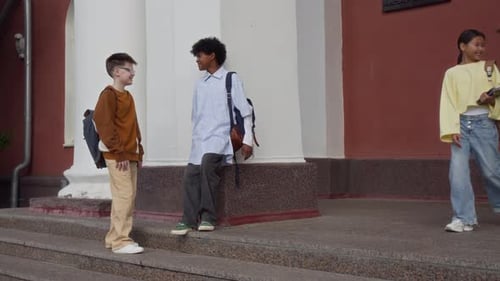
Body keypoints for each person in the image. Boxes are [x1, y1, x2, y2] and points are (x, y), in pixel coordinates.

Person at [170, 37, 254, 235]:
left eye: (199, 56)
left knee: (208, 165)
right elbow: (196, 115)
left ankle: (208, 216)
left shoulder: (230, 79)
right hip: (200, 140)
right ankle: (188, 219)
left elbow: (245, 110)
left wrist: (247, 140)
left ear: (212, 55)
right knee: (190, 175)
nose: (197, 60)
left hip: (220, 139)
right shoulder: (201, 84)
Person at [439, 29, 500, 233]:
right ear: (462, 46)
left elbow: (498, 95)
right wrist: (451, 129)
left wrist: (491, 99)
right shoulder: (452, 73)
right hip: (461, 126)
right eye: (476, 44)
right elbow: (447, 102)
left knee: (492, 171)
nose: (481, 49)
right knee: (458, 173)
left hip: (484, 123)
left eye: (483, 45)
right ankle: (463, 218)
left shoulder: (490, 68)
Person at [94, 53, 145, 253]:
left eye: (133, 70)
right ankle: (121, 242)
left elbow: (132, 125)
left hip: (129, 153)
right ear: (116, 72)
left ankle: (113, 237)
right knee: (125, 195)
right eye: (129, 70)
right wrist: (119, 152)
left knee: (126, 197)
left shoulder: (128, 96)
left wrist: (138, 150)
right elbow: (104, 125)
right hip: (118, 155)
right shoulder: (109, 95)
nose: (133, 74)